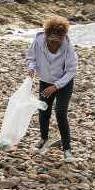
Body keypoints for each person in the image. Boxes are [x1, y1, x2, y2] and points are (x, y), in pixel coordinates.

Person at [27, 16, 79, 162]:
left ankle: (67, 149)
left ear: (62, 37)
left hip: (64, 83)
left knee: (60, 113)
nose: (54, 44)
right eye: (51, 41)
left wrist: (56, 86)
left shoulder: (68, 46)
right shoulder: (38, 40)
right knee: (43, 110)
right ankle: (43, 139)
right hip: (45, 81)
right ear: (46, 35)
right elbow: (31, 58)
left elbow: (71, 70)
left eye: (58, 41)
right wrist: (31, 68)